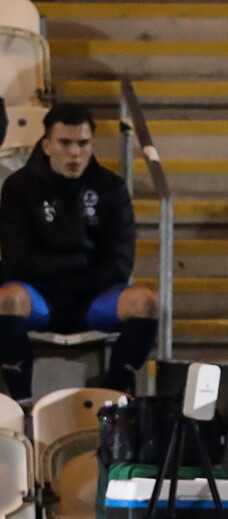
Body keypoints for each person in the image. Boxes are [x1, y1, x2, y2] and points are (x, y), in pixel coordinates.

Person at [0, 102, 158, 406]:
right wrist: (79, 263)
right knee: (6, 299)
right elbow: (19, 262)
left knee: (146, 302)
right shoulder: (19, 187)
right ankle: (23, 405)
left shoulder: (111, 187)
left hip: (92, 299)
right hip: (41, 299)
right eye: (65, 143)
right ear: (46, 145)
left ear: (91, 145)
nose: (74, 153)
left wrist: (68, 270)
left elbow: (120, 264)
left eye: (83, 143)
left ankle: (112, 400)